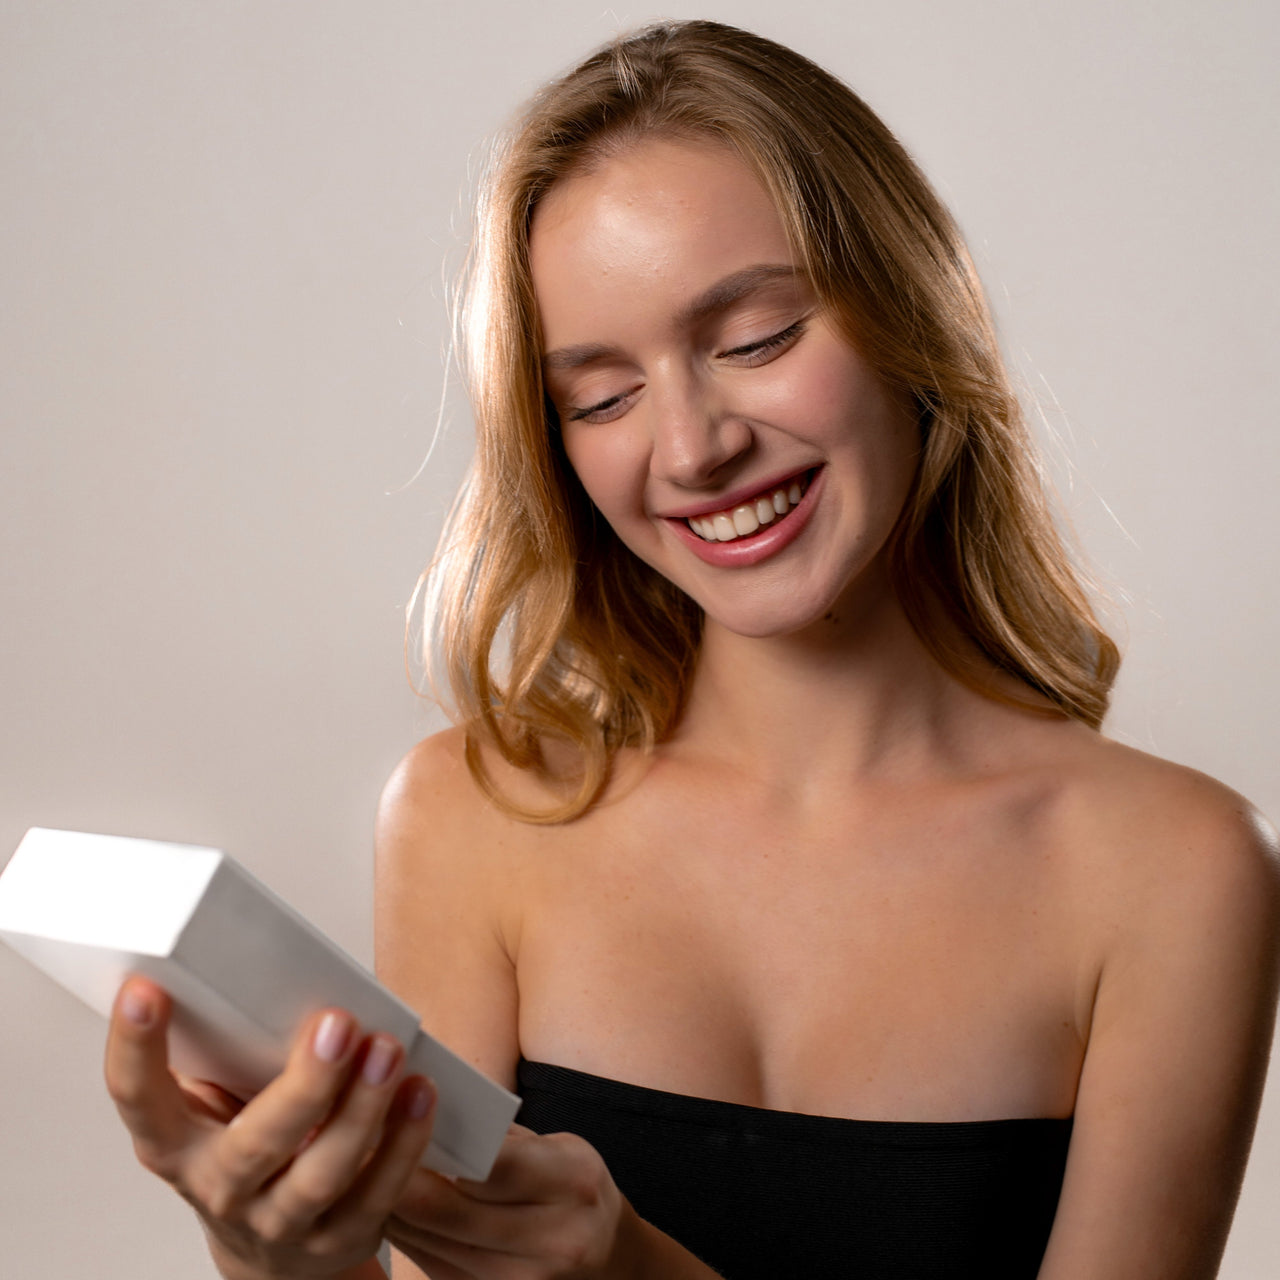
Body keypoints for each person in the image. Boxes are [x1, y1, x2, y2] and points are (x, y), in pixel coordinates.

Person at [104, 19, 1279, 1280]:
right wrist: (277, 1253)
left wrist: (628, 1268)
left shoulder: (1172, 874)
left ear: (907, 312)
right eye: (602, 396)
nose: (690, 447)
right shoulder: (472, 816)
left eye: (756, 337)